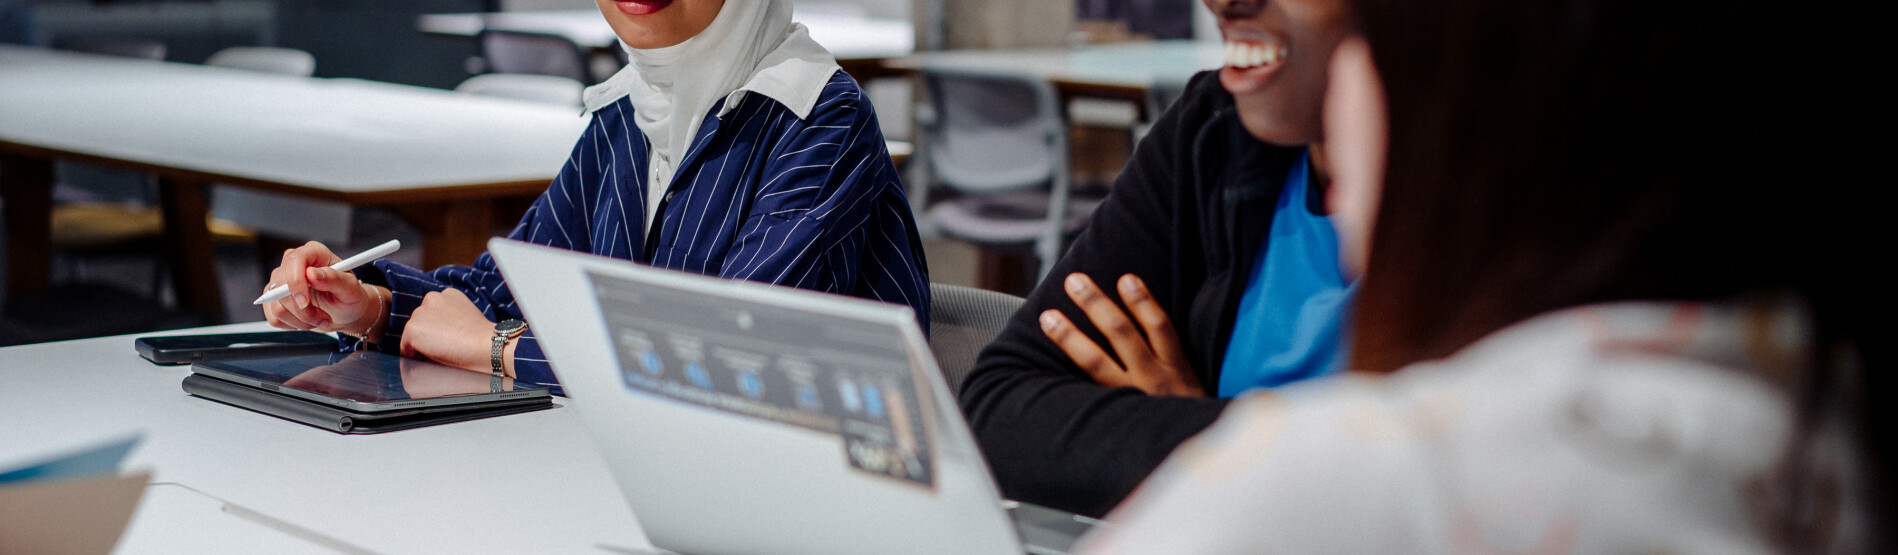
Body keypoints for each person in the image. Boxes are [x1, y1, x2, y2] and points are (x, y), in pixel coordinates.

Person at [1075, 0, 1884, 550]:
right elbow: (1008, 391)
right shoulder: (1821, 443)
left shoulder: (1349, 489)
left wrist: (1239, 445)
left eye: (1376, 43)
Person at [262, 0, 929, 394]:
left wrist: (496, 350)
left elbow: (714, 360)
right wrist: (370, 305)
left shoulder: (819, 120)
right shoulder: (627, 117)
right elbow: (503, 291)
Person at [957, 0, 1356, 516]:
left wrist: (1203, 439)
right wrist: (1215, 444)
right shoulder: (1212, 130)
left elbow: (1424, 477)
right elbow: (999, 413)